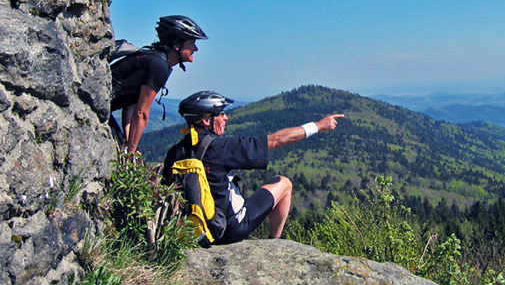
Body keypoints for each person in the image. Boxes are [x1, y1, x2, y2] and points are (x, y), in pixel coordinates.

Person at [163, 90, 344, 242]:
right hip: (230, 229)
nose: (226, 117)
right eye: (220, 113)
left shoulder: (175, 152)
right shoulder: (219, 147)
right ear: (205, 120)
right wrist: (318, 126)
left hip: (199, 232)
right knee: (284, 183)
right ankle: (274, 243)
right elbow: (276, 140)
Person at [110, 15, 208, 154]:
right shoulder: (159, 65)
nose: (196, 49)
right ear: (176, 44)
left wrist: (128, 141)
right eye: (192, 43)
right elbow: (141, 112)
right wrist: (131, 152)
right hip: (96, 108)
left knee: (120, 149)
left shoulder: (154, 59)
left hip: (100, 107)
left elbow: (131, 103)